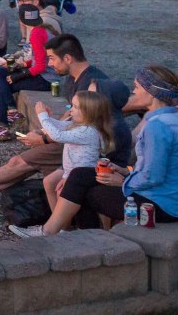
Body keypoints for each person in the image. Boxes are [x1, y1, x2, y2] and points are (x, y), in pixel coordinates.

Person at [16, 68, 178, 234]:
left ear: (151, 92)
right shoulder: (176, 120)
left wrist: (123, 180)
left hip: (160, 205)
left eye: (137, 87)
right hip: (168, 200)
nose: (135, 92)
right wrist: (124, 171)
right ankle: (70, 235)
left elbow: (153, 177)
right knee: (79, 175)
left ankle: (65, 236)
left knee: (83, 191)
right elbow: (156, 168)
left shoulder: (158, 127)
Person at [0, 34, 134, 193]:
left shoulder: (93, 84)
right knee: (21, 168)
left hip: (85, 147)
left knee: (17, 164)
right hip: (73, 139)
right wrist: (45, 130)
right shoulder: (74, 78)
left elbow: (89, 127)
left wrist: (44, 138)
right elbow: (70, 114)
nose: (49, 64)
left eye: (51, 58)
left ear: (68, 58)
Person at [8, 90, 117, 235]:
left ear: (88, 112)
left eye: (75, 107)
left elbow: (57, 135)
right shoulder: (79, 125)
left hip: (81, 174)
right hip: (70, 170)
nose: (70, 109)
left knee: (61, 192)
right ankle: (61, 228)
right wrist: (48, 118)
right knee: (49, 182)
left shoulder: (88, 131)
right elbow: (59, 125)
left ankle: (58, 228)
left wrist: (41, 114)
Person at [0, 6, 52, 140]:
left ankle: (3, 125)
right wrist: (20, 65)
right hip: (43, 75)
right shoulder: (41, 29)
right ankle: (11, 111)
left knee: (4, 86)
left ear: (21, 20)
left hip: (46, 79)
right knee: (0, 74)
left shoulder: (36, 35)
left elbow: (40, 66)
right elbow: (36, 59)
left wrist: (18, 76)